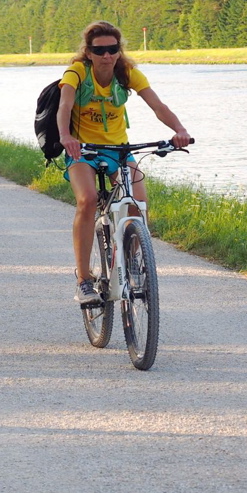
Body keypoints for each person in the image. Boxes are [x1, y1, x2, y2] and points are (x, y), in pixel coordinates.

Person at [57, 20, 192, 304]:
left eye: (112, 49)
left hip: (118, 149)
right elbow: (64, 106)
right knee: (88, 199)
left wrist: (179, 130)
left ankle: (131, 261)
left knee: (138, 201)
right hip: (82, 149)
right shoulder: (77, 73)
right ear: (89, 52)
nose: (106, 55)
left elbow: (158, 107)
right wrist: (66, 137)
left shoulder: (126, 73)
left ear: (119, 51)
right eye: (99, 50)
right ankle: (84, 279)